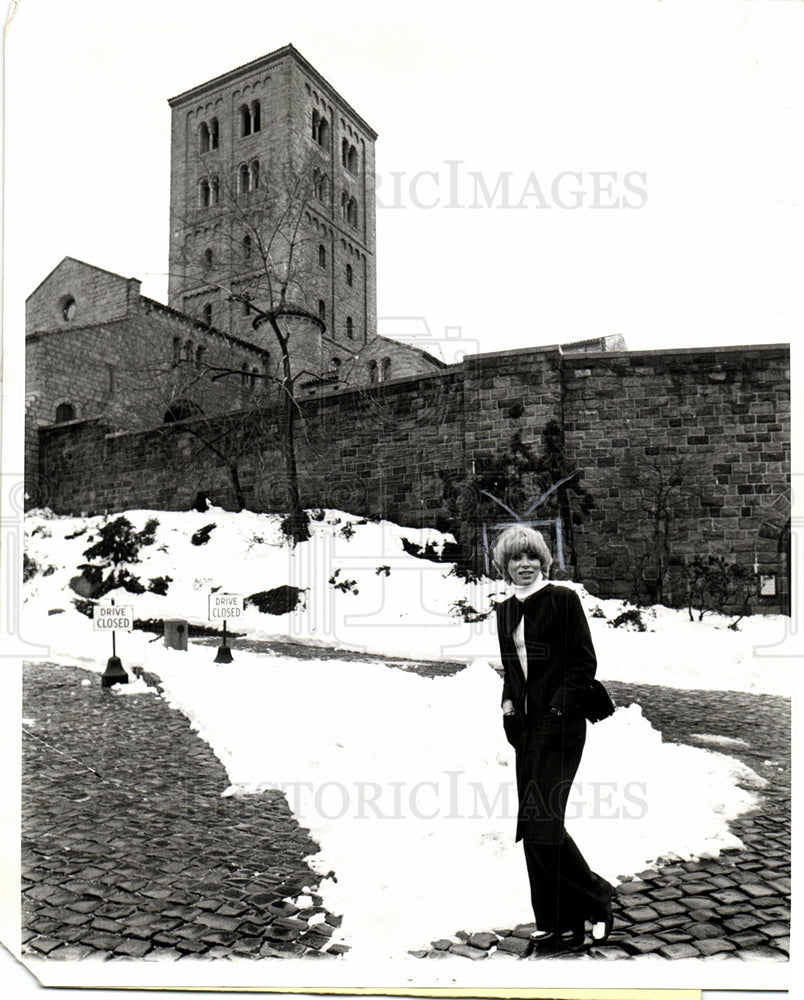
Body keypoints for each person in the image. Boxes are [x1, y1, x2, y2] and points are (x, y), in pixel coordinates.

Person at [493, 524, 614, 953]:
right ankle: (555, 919)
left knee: (543, 820)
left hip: (561, 727)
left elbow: (584, 663)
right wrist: (508, 708)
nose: (524, 565)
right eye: (515, 559)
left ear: (543, 561)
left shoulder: (563, 600)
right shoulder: (505, 609)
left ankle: (597, 901)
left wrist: (559, 709)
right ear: (504, 566)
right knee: (533, 822)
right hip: (524, 729)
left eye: (531, 558)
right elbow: (513, 671)